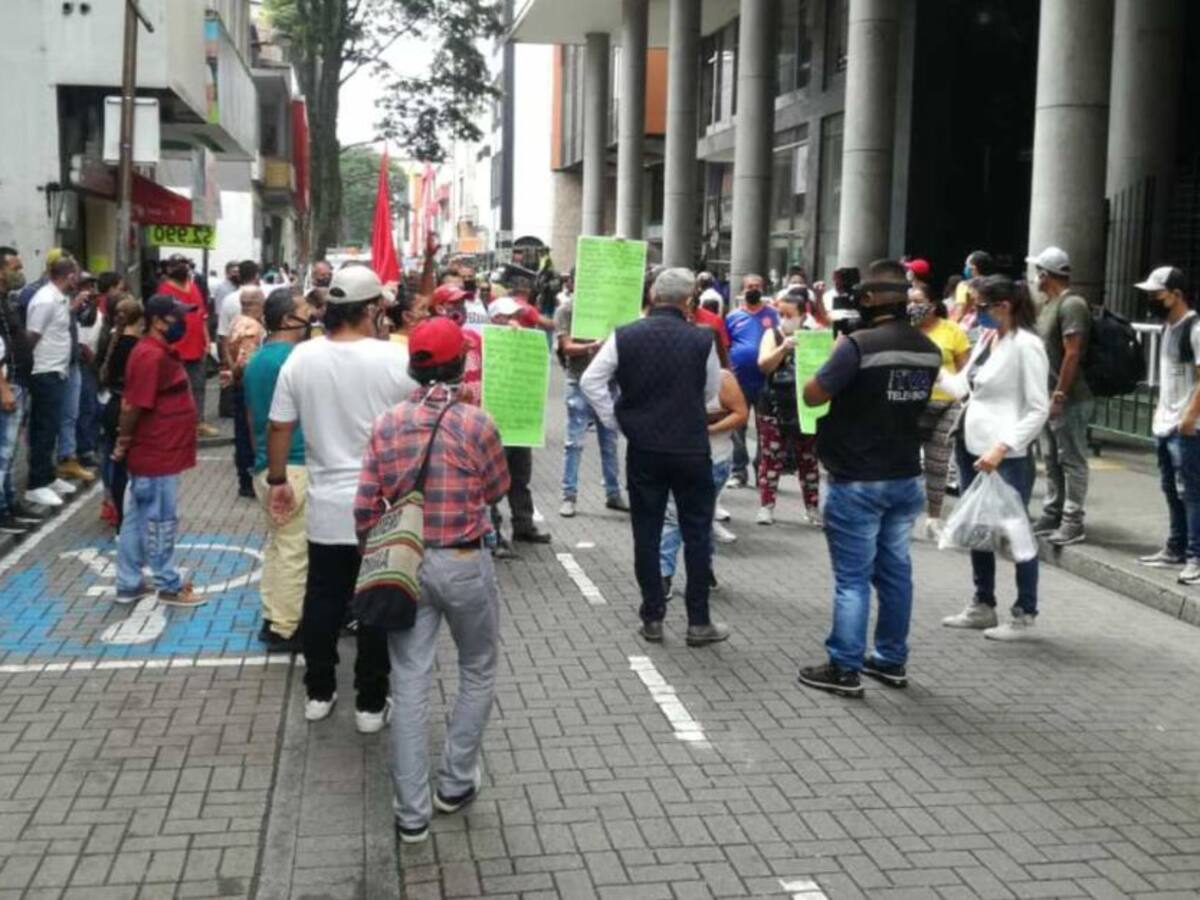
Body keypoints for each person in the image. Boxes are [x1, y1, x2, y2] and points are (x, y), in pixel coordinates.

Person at [355, 317, 510, 845]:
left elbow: (364, 507)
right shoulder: (477, 423)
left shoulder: (386, 423)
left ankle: (411, 813)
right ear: (460, 364)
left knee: (410, 681)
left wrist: (376, 555)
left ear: (412, 367)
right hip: (465, 561)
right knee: (478, 666)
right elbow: (497, 487)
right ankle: (456, 782)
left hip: (407, 564)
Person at [266, 265, 417, 729]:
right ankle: (371, 703)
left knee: (323, 599)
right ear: (371, 309)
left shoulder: (302, 358)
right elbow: (418, 421)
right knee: (374, 603)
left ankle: (319, 691)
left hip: (327, 503)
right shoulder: (395, 358)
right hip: (383, 504)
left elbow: (278, 426)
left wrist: (277, 481)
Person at [797, 259, 941, 697]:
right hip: (903, 475)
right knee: (896, 572)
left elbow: (813, 393)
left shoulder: (857, 345)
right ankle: (891, 659)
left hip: (857, 477)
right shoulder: (928, 348)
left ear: (867, 300)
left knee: (853, 579)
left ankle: (843, 667)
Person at [581, 268, 729, 646]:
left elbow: (590, 381)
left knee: (646, 533)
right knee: (696, 533)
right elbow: (712, 392)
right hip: (692, 447)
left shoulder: (624, 335)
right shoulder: (702, 339)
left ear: (652, 294)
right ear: (688, 301)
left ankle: (652, 616)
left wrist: (616, 421)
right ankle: (699, 621)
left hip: (644, 448)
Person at [938, 275, 1050, 640]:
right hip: (973, 449)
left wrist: (1003, 446)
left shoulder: (1027, 346)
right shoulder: (989, 338)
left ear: (1003, 306)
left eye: (980, 306)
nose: (975, 313)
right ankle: (983, 603)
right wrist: (932, 364)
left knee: (1016, 532)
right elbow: (964, 388)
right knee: (979, 529)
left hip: (1005, 455)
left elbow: (1038, 409)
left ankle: (1025, 612)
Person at [111, 294, 206, 608]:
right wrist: (123, 442)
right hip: (155, 454)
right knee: (160, 520)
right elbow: (132, 405)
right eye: (176, 316)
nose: (183, 322)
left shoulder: (158, 352)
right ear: (157, 320)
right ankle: (168, 584)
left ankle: (128, 583)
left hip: (158, 453)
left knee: (137, 520)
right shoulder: (150, 356)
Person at [244, 287, 313, 652]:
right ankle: (286, 627)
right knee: (293, 550)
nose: (312, 315)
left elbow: (255, 418)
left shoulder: (258, 359)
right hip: (293, 465)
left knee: (278, 544)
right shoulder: (295, 360)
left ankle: (274, 616)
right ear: (288, 319)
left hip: (269, 465)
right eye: (305, 310)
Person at [660, 331, 746, 597]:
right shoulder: (675, 375)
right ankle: (693, 572)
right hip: (685, 455)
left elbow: (741, 413)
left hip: (713, 458)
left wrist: (709, 429)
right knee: (691, 517)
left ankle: (674, 574)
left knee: (684, 517)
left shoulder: (722, 378)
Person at [1133, 267, 1200, 582]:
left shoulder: (1195, 328)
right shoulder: (1167, 327)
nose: (1151, 299)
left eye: (1156, 293)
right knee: (1172, 488)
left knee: (1192, 492)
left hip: (1187, 427)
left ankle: (1195, 557)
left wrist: (1188, 418)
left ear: (1176, 294)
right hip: (1166, 422)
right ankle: (1176, 548)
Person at [1028, 246, 1091, 546]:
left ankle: (1073, 520)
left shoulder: (1072, 304)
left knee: (1072, 458)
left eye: (1037, 272)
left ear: (1045, 274)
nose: (1034, 278)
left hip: (1070, 397)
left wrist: (1060, 394)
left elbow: (1073, 353)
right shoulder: (1047, 304)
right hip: (1047, 394)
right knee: (1051, 457)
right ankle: (1053, 512)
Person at [756, 286, 825, 527]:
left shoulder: (813, 335)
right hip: (773, 406)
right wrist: (783, 348)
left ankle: (812, 508)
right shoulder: (772, 335)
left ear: (803, 316)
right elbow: (764, 365)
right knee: (771, 458)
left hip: (804, 408)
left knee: (808, 459)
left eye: (789, 315)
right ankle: (766, 506)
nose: (784, 320)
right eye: (781, 315)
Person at [554, 289, 626, 518]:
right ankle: (568, 495)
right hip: (579, 381)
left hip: (608, 384)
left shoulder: (612, 309)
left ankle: (613, 493)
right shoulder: (567, 310)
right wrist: (592, 346)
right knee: (574, 442)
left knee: (610, 441)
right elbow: (566, 346)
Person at [486, 296, 552, 545]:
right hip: (496, 423)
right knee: (494, 480)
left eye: (512, 316)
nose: (510, 321)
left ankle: (523, 526)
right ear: (493, 319)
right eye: (503, 317)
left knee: (520, 478)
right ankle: (494, 531)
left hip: (519, 422)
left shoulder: (523, 341)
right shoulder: (485, 341)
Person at [908, 283, 970, 537]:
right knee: (908, 463)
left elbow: (965, 371)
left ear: (933, 305)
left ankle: (934, 518)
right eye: (909, 301)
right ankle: (906, 516)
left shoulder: (953, 331)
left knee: (938, 463)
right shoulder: (904, 332)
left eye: (918, 301)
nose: (912, 306)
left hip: (946, 405)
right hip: (911, 405)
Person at [24, 255, 80, 509]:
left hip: (58, 371)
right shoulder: (45, 300)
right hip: (44, 371)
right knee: (43, 428)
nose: (78, 279)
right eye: (76, 274)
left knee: (53, 426)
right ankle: (36, 485)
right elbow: (32, 336)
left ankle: (48, 476)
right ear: (69, 276)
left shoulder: (59, 299)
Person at [724, 274, 779, 488]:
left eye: (757, 286)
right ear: (742, 290)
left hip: (766, 379)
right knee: (738, 426)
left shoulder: (773, 315)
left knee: (765, 427)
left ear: (763, 289)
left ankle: (762, 471)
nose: (753, 289)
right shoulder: (733, 316)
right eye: (750, 286)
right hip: (739, 380)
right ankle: (739, 471)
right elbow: (725, 346)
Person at [98, 296, 142, 528]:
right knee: (126, 466)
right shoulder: (135, 346)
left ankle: (116, 510)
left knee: (115, 462)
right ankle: (126, 519)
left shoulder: (115, 342)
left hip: (112, 404)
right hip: (125, 406)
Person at [159, 254, 215, 437]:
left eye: (186, 263)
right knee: (177, 387)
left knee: (198, 386)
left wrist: (206, 339)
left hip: (197, 346)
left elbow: (202, 316)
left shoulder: (194, 286)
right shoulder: (164, 290)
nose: (184, 267)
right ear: (169, 269)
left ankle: (198, 422)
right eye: (178, 264)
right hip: (176, 347)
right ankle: (178, 423)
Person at [55, 269, 97, 485]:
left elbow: (85, 322)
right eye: (84, 284)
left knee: (76, 412)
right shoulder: (55, 300)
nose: (88, 290)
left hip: (73, 363)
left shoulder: (83, 305)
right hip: (59, 364)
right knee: (59, 415)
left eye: (91, 285)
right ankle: (63, 459)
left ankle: (70, 456)